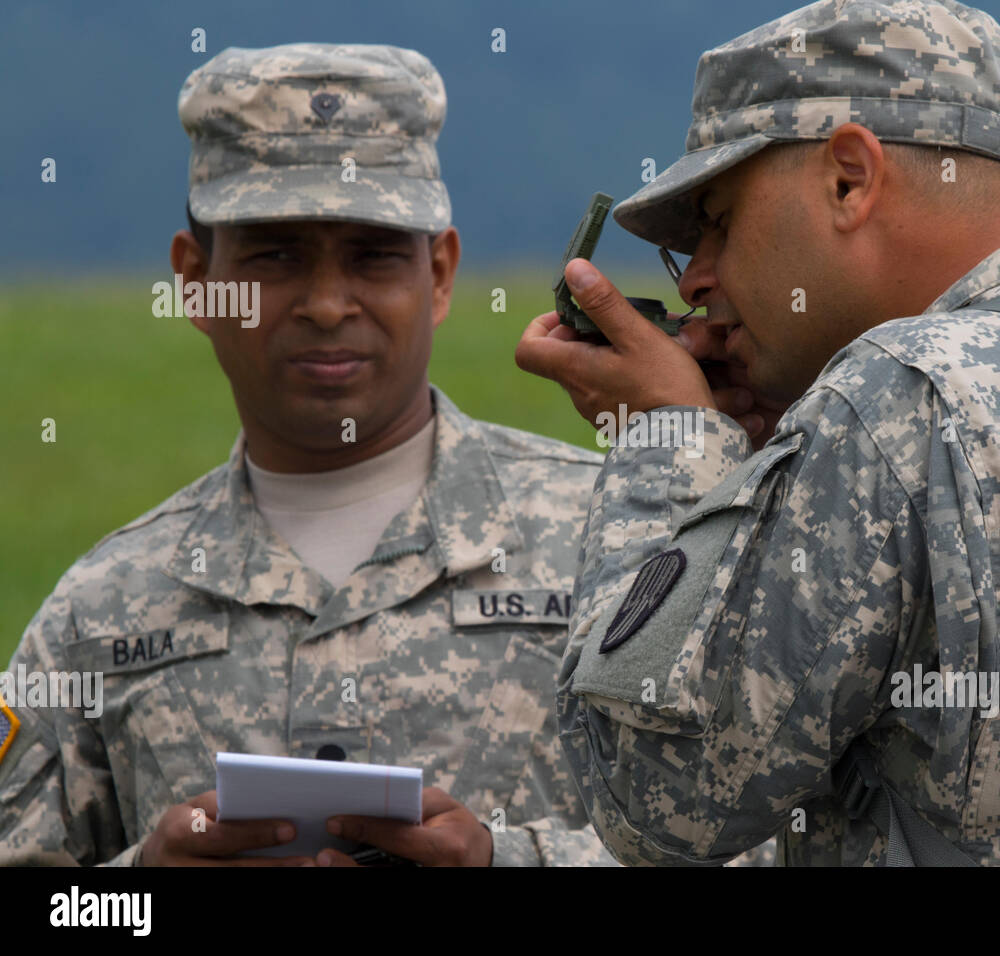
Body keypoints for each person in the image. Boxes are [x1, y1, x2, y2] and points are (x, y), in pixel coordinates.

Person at [516, 0, 1000, 865]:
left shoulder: (897, 399)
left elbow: (651, 798)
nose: (695, 281)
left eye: (717, 222)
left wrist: (671, 441)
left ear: (849, 177)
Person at [0, 42, 618, 867]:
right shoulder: (95, 616)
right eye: (276, 255)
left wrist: (510, 863)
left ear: (439, 274)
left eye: (373, 254)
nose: (328, 305)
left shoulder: (620, 549)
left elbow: (774, 846)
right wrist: (140, 887)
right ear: (196, 281)